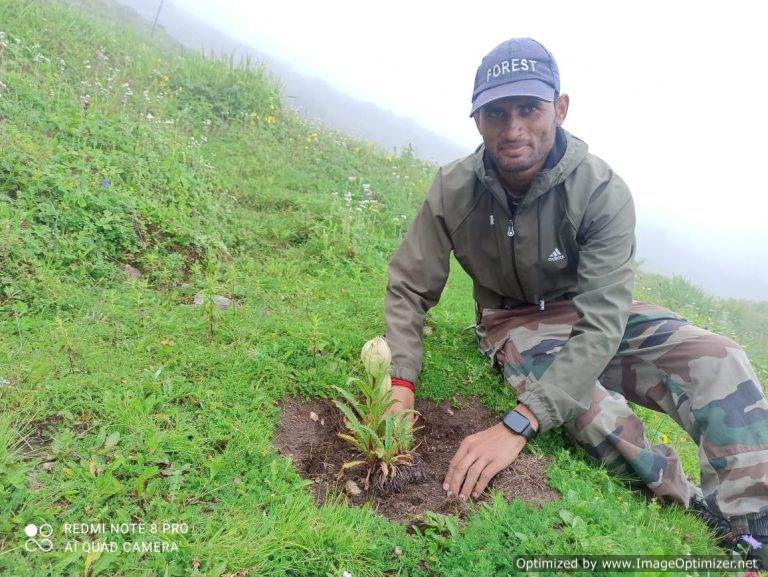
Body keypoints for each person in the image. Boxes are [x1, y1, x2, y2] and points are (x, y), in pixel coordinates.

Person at [383, 37, 768, 567]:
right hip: (512, 320)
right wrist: (401, 383)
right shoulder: (453, 189)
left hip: (596, 313)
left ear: (560, 108)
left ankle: (751, 527)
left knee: (722, 358)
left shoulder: (602, 190)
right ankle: (690, 504)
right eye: (496, 112)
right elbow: (409, 285)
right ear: (477, 121)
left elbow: (603, 320)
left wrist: (516, 424)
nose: (512, 128)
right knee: (586, 406)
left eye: (529, 109)